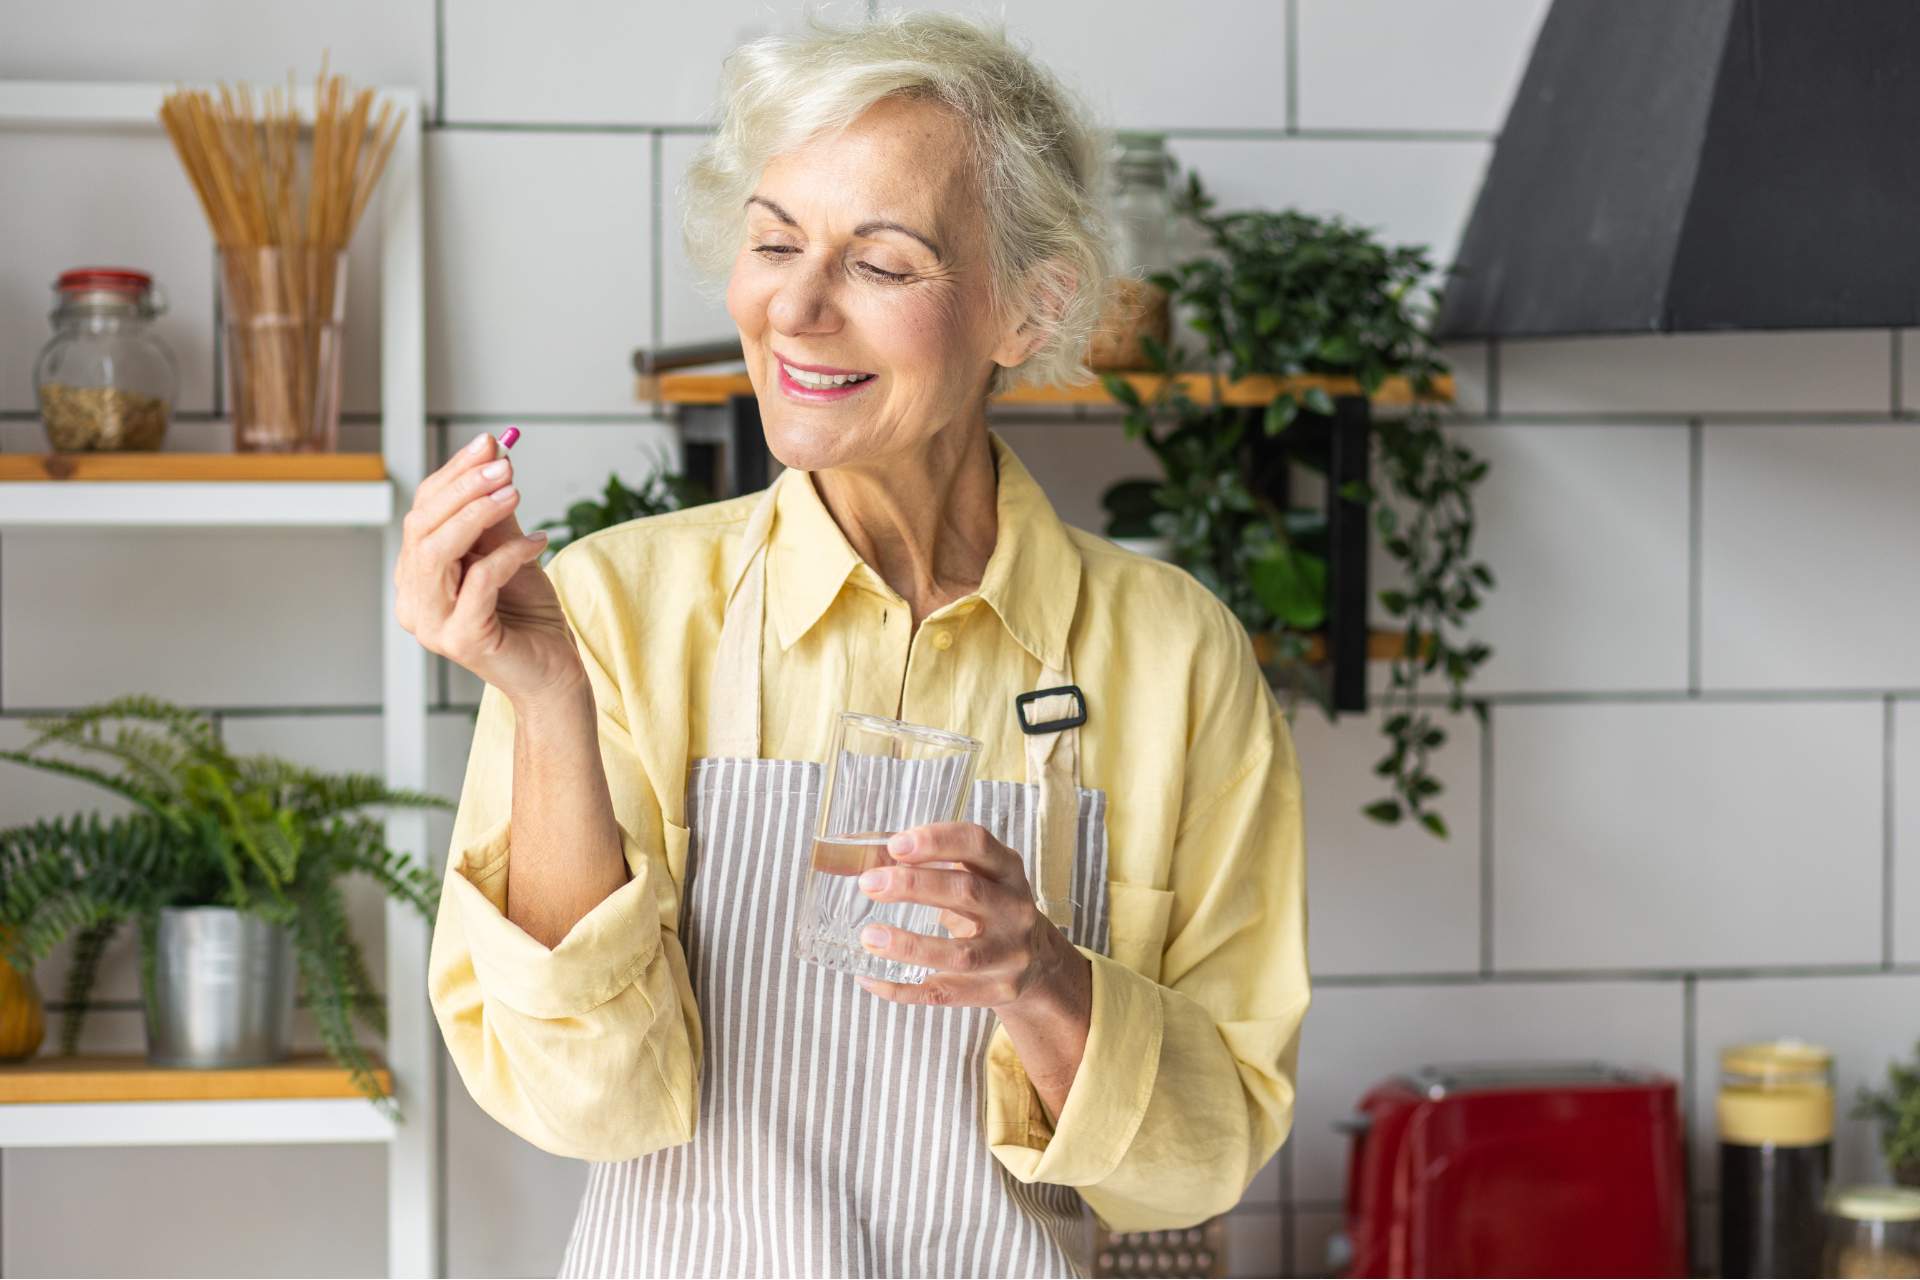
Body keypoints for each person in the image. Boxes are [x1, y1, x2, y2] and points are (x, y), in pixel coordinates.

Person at [398, 11, 1308, 1278]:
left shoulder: (1175, 659)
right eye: (774, 244)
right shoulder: (610, 610)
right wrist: (549, 699)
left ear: (1025, 309)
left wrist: (1040, 971)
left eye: (881, 265)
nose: (797, 308)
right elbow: (588, 1105)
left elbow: (1198, 1161)